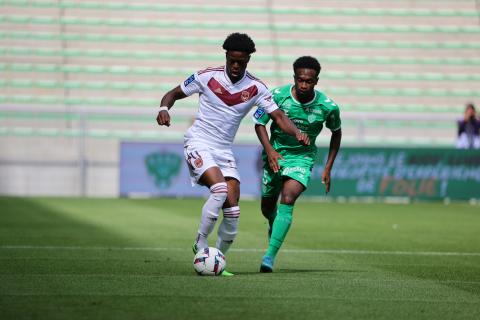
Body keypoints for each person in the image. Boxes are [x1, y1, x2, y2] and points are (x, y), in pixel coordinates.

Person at [156, 33, 309, 276]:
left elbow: (278, 117)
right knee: (219, 190)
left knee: (233, 210)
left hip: (223, 150)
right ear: (226, 56)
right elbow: (172, 94)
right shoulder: (206, 76)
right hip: (199, 141)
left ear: (248, 60)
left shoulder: (256, 87)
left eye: (242, 62)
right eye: (233, 60)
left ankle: (217, 261)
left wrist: (297, 132)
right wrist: (164, 108)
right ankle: (201, 243)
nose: (236, 66)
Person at [252, 56, 342, 273]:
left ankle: (269, 257)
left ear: (316, 81)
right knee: (266, 208)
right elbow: (259, 123)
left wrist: (328, 167)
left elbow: (336, 133)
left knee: (288, 197)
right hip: (275, 156)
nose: (304, 85)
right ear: (294, 77)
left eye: (309, 81)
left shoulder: (327, 107)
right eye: (300, 80)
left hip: (302, 158)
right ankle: (274, 223)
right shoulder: (276, 96)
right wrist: (270, 151)